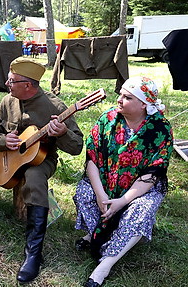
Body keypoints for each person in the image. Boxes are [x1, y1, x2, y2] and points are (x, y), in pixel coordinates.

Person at [0, 57, 84, 283]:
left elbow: (77, 147)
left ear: (27, 85)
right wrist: (2, 141)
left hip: (42, 158)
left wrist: (62, 133)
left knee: (34, 177)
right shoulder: (8, 101)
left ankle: (33, 252)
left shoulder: (55, 106)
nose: (7, 85)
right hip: (7, 155)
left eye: (11, 81)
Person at [73, 77, 173, 287]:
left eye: (127, 97)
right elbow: (92, 158)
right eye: (121, 94)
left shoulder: (160, 129)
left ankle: (105, 265)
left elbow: (153, 172)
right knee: (85, 193)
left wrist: (122, 200)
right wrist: (102, 195)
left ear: (144, 104)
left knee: (143, 209)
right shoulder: (108, 119)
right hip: (106, 183)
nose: (119, 100)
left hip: (139, 189)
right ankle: (96, 234)